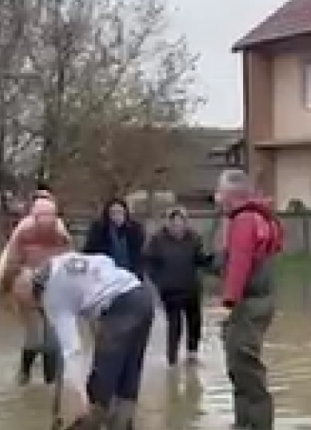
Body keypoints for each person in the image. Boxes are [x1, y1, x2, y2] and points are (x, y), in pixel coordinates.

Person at [2, 250, 154, 430]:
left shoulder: (51, 295)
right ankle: (122, 422)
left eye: (18, 300)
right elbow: (103, 262)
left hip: (120, 306)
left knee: (98, 390)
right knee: (127, 381)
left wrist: (81, 396)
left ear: (20, 285)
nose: (23, 305)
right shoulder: (56, 263)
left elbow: (71, 350)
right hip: (141, 296)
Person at [213, 169, 283, 430]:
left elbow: (239, 263)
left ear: (231, 194)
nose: (216, 195)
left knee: (245, 369)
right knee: (241, 368)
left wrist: (228, 303)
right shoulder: (263, 218)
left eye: (219, 190)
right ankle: (243, 424)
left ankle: (256, 425)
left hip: (248, 302)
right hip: (262, 300)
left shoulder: (244, 220)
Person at [0, 193, 72, 385]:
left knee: (52, 341)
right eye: (41, 216)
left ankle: (49, 383)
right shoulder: (23, 231)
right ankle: (24, 374)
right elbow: (10, 261)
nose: (45, 221)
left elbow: (70, 262)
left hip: (54, 290)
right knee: (35, 338)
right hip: (26, 289)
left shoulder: (61, 234)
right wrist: (5, 288)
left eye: (49, 216)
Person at [144, 207, 213, 366]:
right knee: (174, 324)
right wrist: (157, 280)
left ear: (185, 223)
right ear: (168, 223)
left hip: (191, 287)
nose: (177, 226)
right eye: (173, 222)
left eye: (180, 222)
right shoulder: (157, 239)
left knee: (194, 321)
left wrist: (213, 261)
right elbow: (148, 261)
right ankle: (172, 358)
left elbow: (200, 259)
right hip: (169, 289)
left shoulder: (194, 238)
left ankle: (192, 354)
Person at [83, 198, 146, 280]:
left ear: (125, 213)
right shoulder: (99, 230)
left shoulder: (134, 229)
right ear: (108, 214)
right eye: (113, 213)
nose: (117, 216)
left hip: (130, 275)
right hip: (106, 275)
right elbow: (90, 251)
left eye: (120, 212)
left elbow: (139, 253)